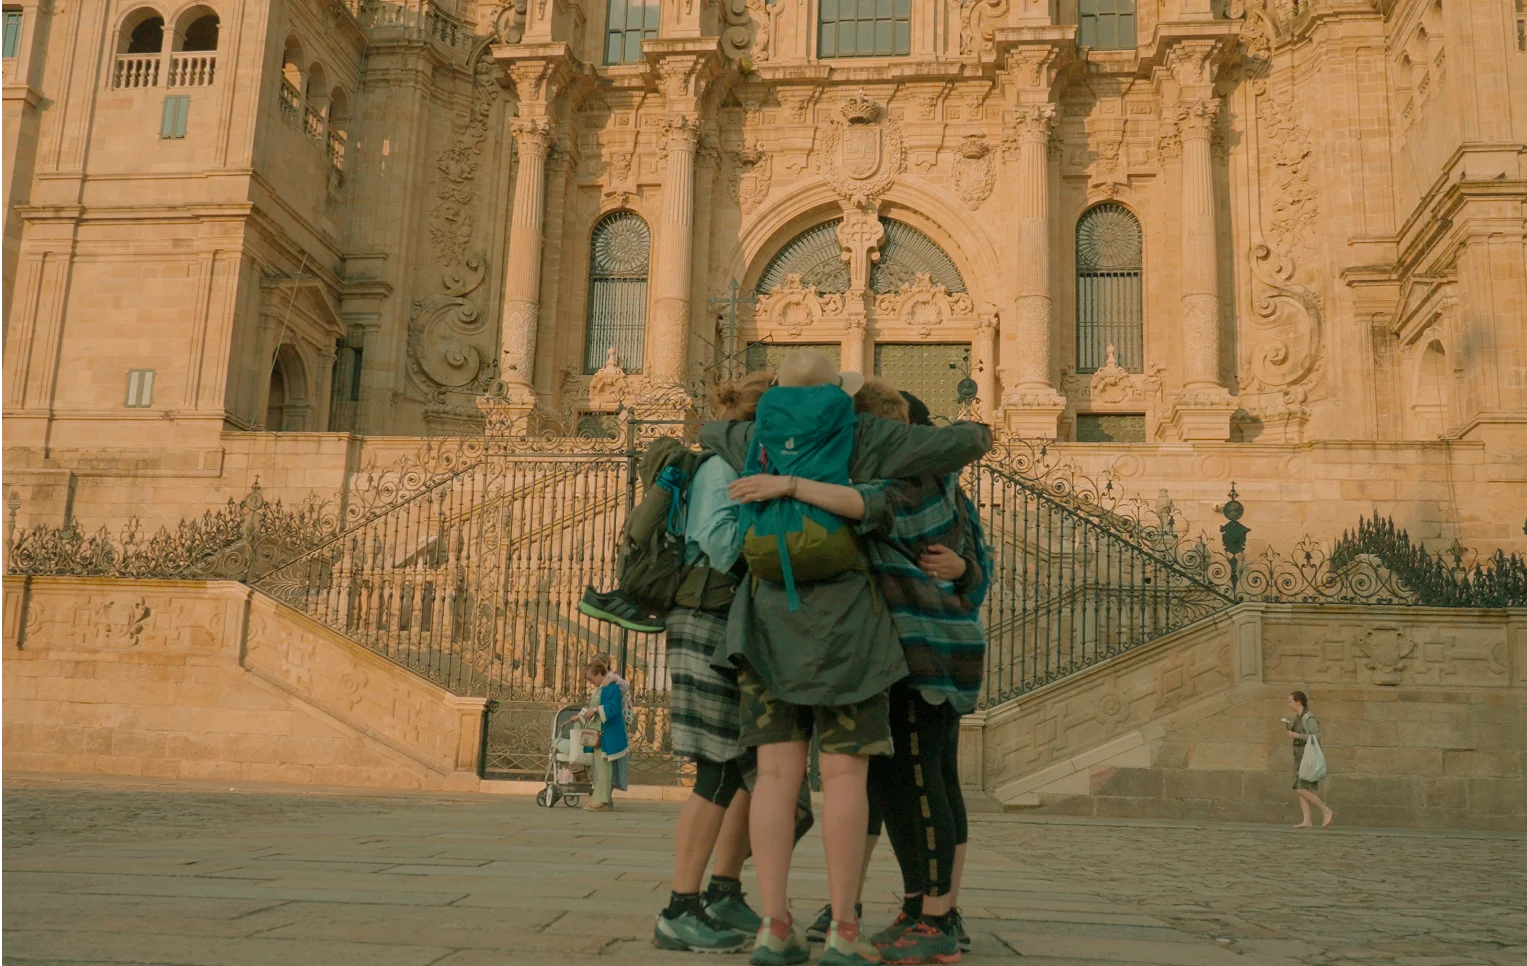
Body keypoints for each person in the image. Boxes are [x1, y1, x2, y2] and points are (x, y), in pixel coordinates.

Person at [708, 349, 993, 966]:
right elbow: (968, 444)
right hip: (855, 636)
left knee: (776, 781)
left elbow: (706, 433)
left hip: (765, 626)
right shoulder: (863, 441)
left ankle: (773, 924)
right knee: (848, 780)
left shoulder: (745, 439)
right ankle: (843, 927)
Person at [791, 385, 989, 965]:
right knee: (925, 783)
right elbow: (971, 565)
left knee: (918, 787)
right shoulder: (939, 484)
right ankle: (927, 908)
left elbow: (873, 513)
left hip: (921, 650)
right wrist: (964, 569)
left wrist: (793, 482)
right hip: (941, 648)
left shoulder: (912, 484)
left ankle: (936, 921)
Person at [655, 371, 776, 954]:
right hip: (705, 620)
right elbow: (720, 543)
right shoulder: (722, 467)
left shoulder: (743, 464)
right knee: (716, 765)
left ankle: (724, 890)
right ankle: (679, 907)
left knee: (749, 763)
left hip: (732, 624)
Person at [575, 656, 629, 812]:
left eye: (592, 679)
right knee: (600, 768)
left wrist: (596, 710)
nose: (591, 683)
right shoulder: (601, 689)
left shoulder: (611, 687)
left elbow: (612, 708)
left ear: (600, 674)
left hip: (607, 733)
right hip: (599, 734)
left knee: (605, 769)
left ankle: (603, 800)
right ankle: (598, 798)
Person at [1286, 690, 1334, 829]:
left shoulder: (1308, 717)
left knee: (1301, 789)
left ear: (1298, 701)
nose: (1288, 704)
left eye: (1290, 701)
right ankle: (1307, 821)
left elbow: (1316, 736)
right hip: (1299, 757)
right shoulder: (1298, 717)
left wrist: (1297, 736)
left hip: (1307, 758)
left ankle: (1326, 811)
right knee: (1301, 788)